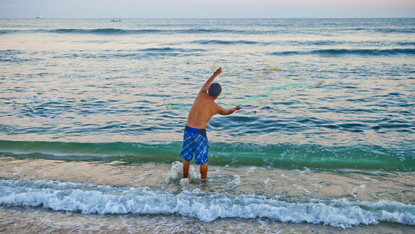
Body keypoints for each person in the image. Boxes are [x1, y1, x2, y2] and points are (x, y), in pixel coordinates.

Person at [180, 67, 242, 181]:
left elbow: (207, 83)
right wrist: (235, 108)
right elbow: (227, 112)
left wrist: (215, 74)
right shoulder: (215, 107)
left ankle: (184, 179)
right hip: (200, 133)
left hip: (188, 130)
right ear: (218, 95)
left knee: (187, 158)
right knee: (203, 161)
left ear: (208, 90)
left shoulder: (201, 93)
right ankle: (203, 183)